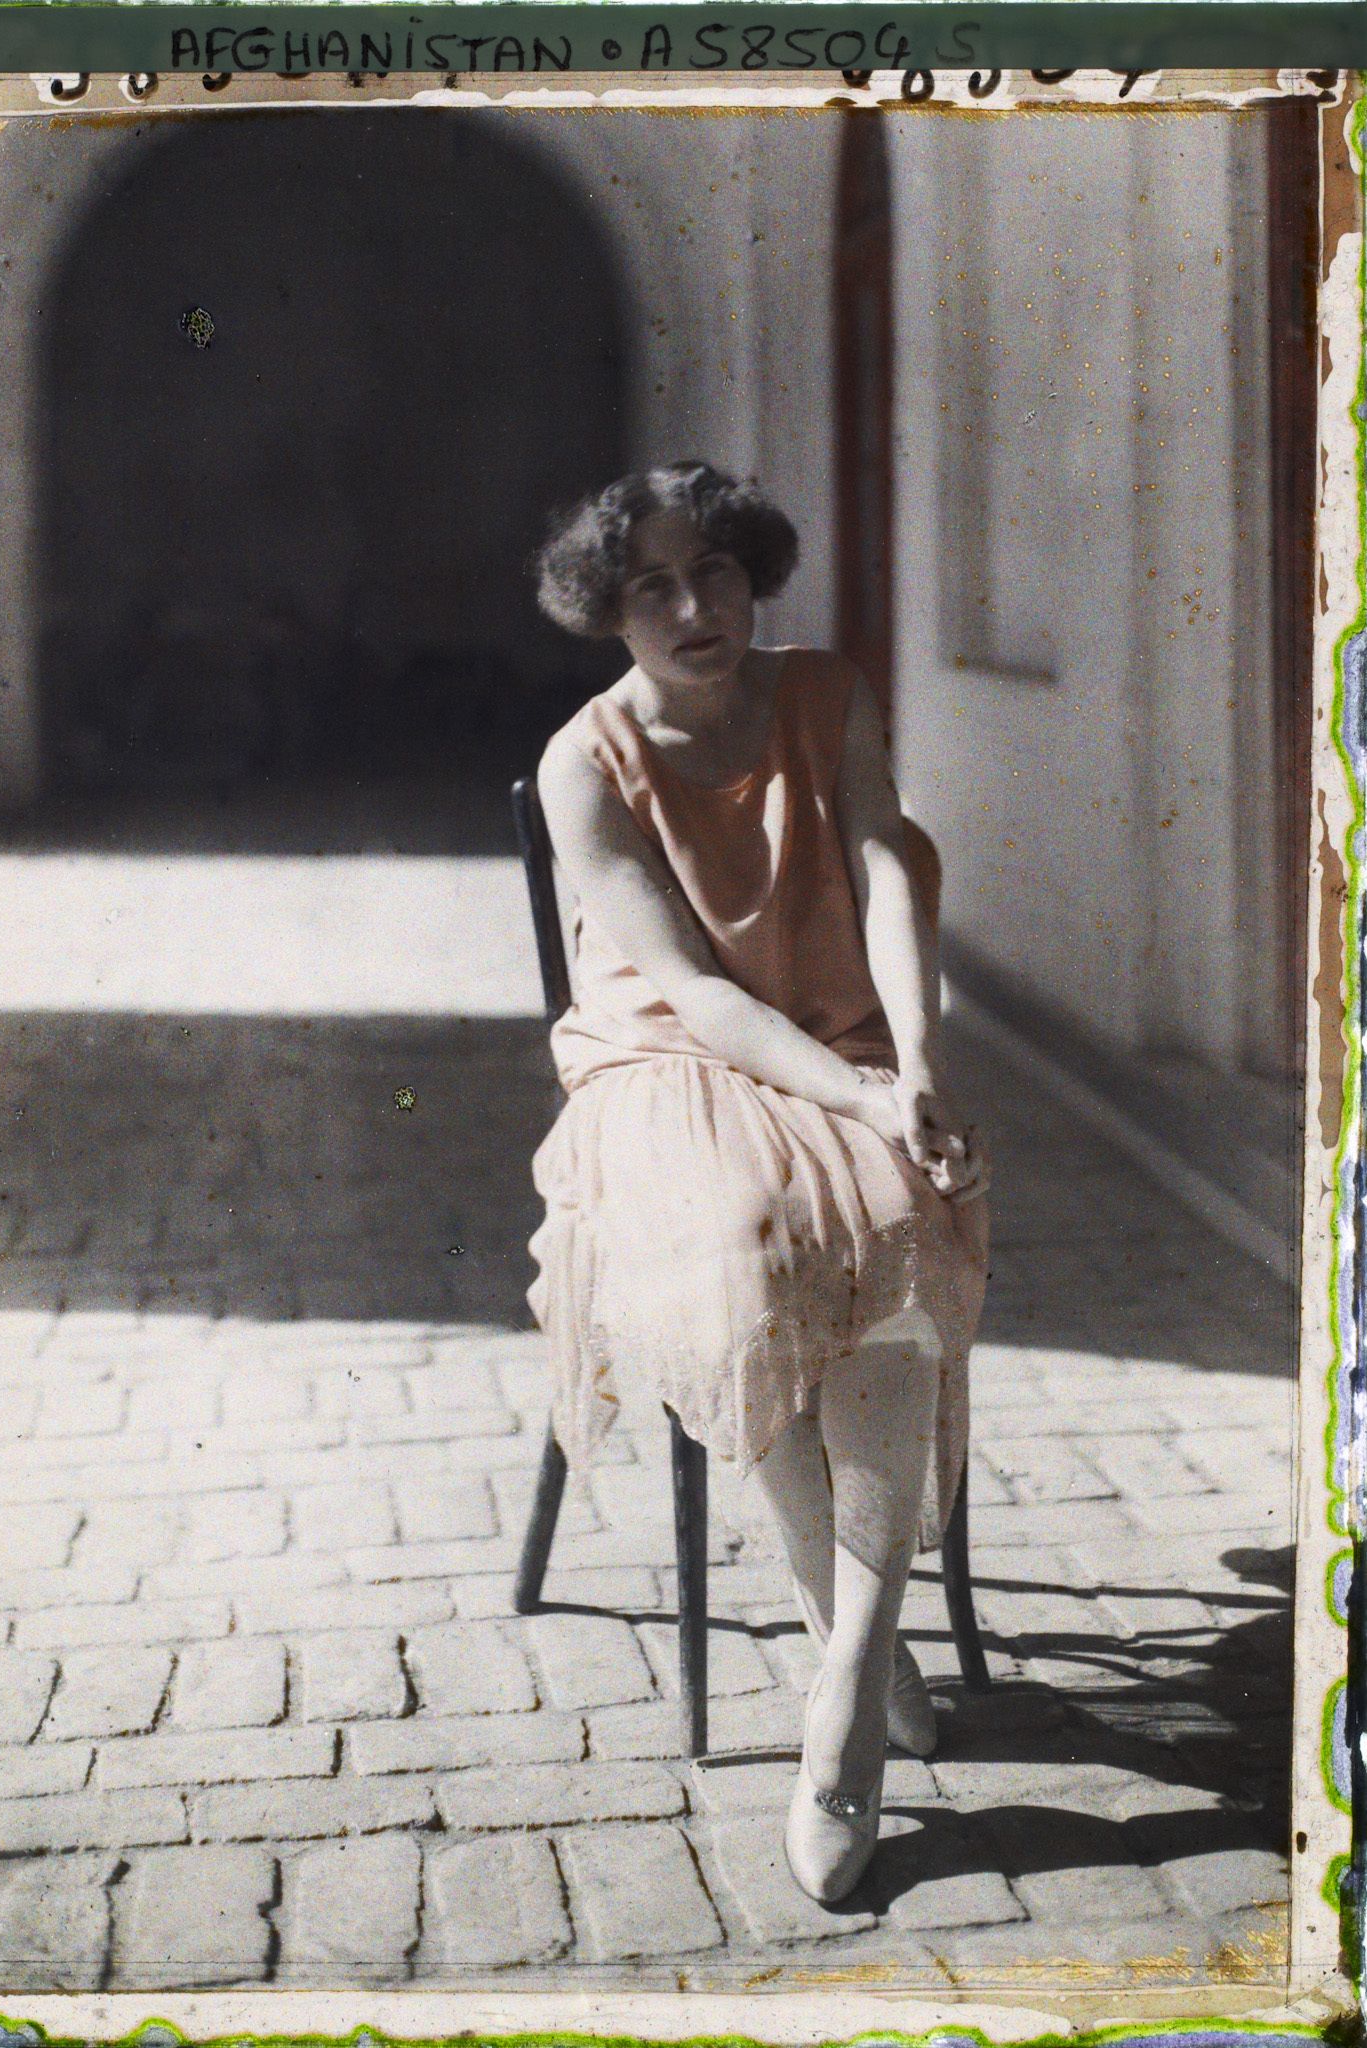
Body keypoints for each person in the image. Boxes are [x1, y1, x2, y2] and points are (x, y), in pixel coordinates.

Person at [526, 460, 989, 1906]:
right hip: (665, 1065)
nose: (690, 605)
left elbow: (887, 867)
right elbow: (688, 991)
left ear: (752, 577)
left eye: (714, 570)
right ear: (610, 608)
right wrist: (850, 1092)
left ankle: (842, 1680)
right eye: (652, 584)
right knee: (748, 1238)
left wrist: (909, 1061)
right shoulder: (583, 762)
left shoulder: (825, 694)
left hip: (847, 1038)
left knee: (900, 1216)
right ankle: (857, 1654)